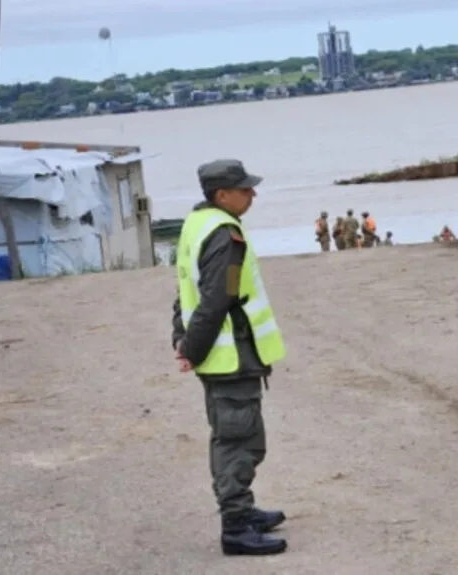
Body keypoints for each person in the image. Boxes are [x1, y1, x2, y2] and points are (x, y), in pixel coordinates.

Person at [170, 159, 289, 556]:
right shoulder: (224, 235)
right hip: (229, 356)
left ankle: (244, 509)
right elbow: (217, 298)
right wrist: (191, 348)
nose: (252, 194)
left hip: (224, 355)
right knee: (238, 442)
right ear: (222, 195)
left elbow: (185, 286)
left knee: (244, 437)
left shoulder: (196, 223)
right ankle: (236, 526)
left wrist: (182, 338)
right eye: (245, 189)